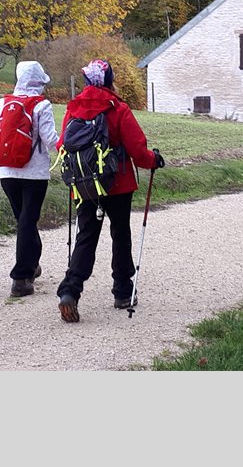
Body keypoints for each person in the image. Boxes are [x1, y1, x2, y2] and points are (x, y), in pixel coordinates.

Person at [56, 59, 164, 323]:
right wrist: (154, 160)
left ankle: (70, 291)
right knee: (120, 234)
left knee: (86, 236)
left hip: (84, 184)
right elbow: (138, 150)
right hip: (118, 183)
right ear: (109, 80)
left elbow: (62, 143)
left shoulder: (74, 109)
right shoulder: (118, 108)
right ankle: (123, 293)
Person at [0, 61, 59, 298]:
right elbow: (50, 139)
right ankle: (21, 279)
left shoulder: (2, 103)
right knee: (28, 222)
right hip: (35, 175)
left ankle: (32, 264)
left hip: (7, 173)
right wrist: (70, 148)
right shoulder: (42, 105)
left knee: (25, 221)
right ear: (40, 81)